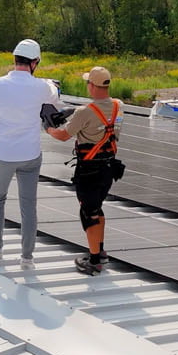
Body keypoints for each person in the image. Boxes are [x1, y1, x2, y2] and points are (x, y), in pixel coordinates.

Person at [0, 39, 56, 269]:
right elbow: (56, 102)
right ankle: (27, 259)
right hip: (31, 154)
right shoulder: (42, 86)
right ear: (34, 62)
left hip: (3, 153)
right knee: (28, 206)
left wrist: (2, 127)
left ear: (14, 60)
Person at [47, 66, 124, 275]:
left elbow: (63, 135)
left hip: (89, 171)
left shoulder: (84, 112)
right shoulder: (119, 106)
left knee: (88, 213)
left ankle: (94, 261)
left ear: (92, 85)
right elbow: (100, 116)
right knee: (97, 208)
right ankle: (100, 251)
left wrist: (47, 127)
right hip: (108, 168)